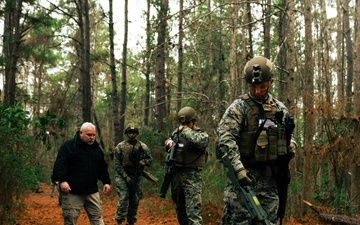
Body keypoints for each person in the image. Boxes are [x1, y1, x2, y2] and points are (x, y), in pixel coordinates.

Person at [217, 56, 297, 225]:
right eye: (254, 87)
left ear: (271, 82)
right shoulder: (239, 107)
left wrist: (291, 145)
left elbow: (289, 136)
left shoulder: (279, 108)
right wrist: (238, 169)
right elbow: (225, 139)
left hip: (270, 181)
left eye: (262, 86)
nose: (258, 91)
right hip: (243, 181)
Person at [51, 122, 111, 225]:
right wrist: (63, 181)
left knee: (98, 220)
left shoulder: (96, 149)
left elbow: (102, 167)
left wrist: (106, 182)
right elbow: (60, 165)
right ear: (81, 133)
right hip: (72, 191)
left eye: (93, 135)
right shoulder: (68, 147)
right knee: (70, 221)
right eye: (89, 135)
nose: (91, 137)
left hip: (92, 191)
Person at [165, 107, 209, 225]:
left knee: (193, 213)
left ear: (194, 122)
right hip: (176, 175)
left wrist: (184, 130)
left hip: (191, 177)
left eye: (187, 123)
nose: (183, 126)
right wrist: (168, 142)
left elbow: (198, 141)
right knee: (181, 210)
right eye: (182, 123)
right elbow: (169, 139)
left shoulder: (201, 135)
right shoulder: (177, 133)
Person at [114, 123, 153, 225]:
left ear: (137, 133)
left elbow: (149, 160)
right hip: (123, 176)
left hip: (137, 175)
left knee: (135, 199)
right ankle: (119, 220)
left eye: (134, 132)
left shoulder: (142, 146)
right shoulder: (120, 146)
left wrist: (143, 162)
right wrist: (125, 176)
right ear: (127, 133)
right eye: (130, 132)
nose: (132, 135)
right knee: (124, 196)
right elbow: (117, 164)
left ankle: (131, 221)